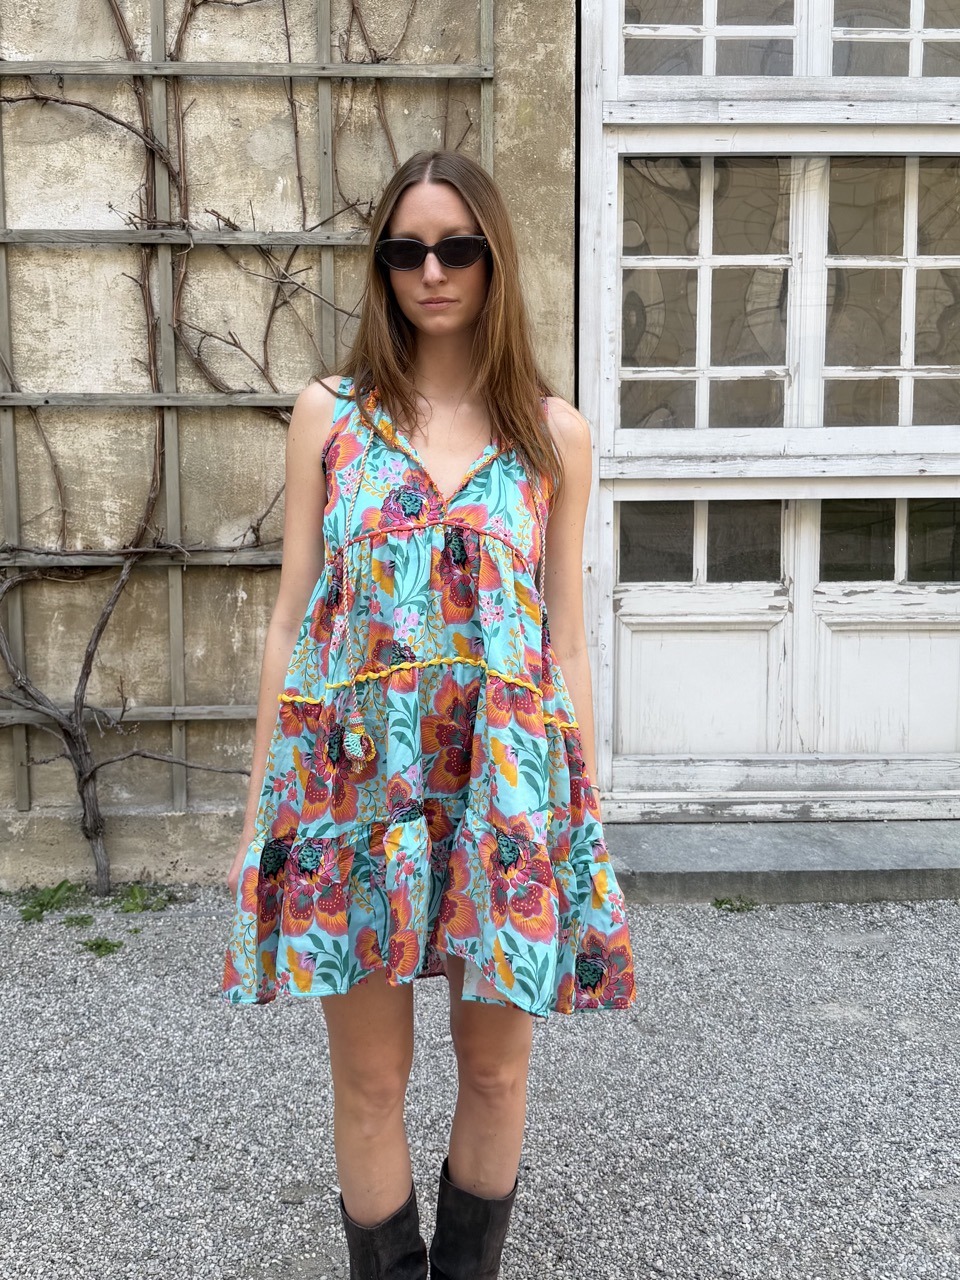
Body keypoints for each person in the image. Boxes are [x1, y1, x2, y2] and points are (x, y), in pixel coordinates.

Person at [221, 149, 636, 1279]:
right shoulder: (330, 416)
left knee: (496, 1071)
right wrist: (261, 807)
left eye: (456, 248)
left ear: (494, 259)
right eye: (406, 251)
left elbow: (563, 637)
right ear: (383, 268)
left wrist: (577, 812)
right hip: (352, 792)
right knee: (370, 1078)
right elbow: (291, 618)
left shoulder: (554, 434)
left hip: (503, 791)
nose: (432, 272)